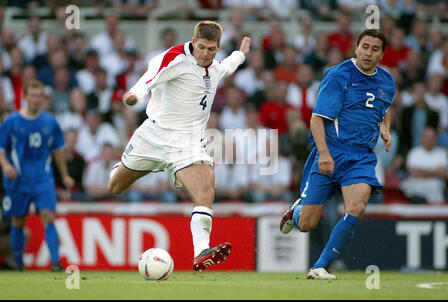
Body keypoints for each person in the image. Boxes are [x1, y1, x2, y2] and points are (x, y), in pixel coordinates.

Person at [108, 21, 251, 272]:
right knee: (115, 186)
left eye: (211, 49)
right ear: (193, 41)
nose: (205, 54)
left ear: (217, 48)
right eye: (201, 47)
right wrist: (135, 95)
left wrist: (241, 54)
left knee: (205, 193)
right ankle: (132, 165)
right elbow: (149, 77)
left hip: (188, 144)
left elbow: (228, 66)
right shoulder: (174, 58)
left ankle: (201, 252)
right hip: (153, 137)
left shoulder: (215, 68)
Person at [279, 29, 395, 280]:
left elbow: (383, 109)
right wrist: (323, 154)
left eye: (375, 49)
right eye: (365, 46)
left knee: (358, 204)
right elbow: (316, 119)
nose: (368, 53)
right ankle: (296, 212)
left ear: (382, 54)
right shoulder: (339, 75)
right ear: (356, 48)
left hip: (361, 157)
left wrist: (385, 129)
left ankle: (319, 266)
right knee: (308, 223)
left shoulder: (387, 81)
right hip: (331, 151)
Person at [0, 79, 75, 271]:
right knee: (18, 220)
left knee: (48, 216)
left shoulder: (50, 121)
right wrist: (6, 165)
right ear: (25, 97)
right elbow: (1, 149)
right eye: (32, 95)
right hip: (18, 180)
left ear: (43, 98)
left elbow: (58, 150)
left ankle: (56, 262)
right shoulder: (12, 122)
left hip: (43, 179)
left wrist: (65, 175)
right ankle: (17, 263)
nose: (36, 99)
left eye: (39, 96)